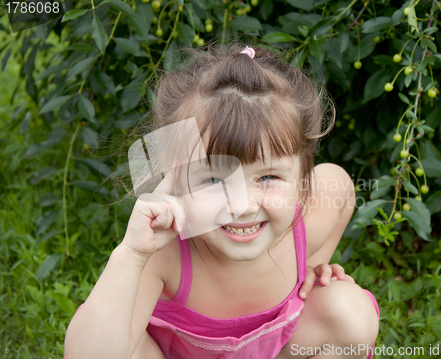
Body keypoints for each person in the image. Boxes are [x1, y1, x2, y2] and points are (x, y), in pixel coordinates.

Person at [64, 44, 379, 359]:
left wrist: (311, 265)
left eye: (268, 178)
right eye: (214, 180)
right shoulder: (165, 255)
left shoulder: (303, 225)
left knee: (350, 311)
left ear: (302, 178)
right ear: (175, 179)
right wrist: (131, 255)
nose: (242, 206)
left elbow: (339, 187)